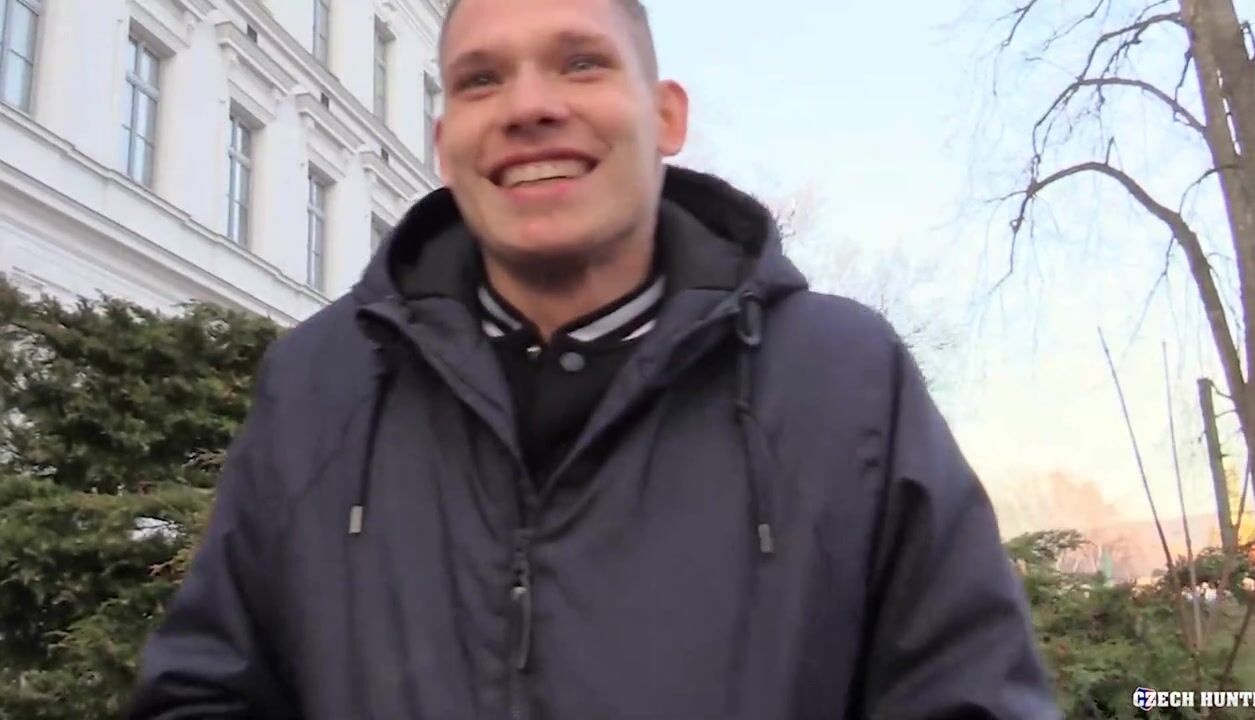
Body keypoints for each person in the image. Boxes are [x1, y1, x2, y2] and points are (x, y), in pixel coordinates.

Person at [127, 0, 1062, 717]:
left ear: (666, 116)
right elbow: (203, 692)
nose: (530, 107)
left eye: (580, 62)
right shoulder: (318, 386)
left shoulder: (844, 381)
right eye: (481, 80)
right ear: (444, 145)